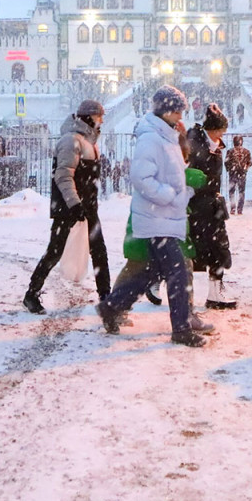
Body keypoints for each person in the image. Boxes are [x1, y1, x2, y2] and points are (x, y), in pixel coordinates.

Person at [96, 84, 206, 347]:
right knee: (177, 272)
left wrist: (181, 191)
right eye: (178, 111)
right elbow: (141, 178)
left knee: (150, 272)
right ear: (165, 111)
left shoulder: (165, 136)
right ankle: (180, 329)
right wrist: (171, 195)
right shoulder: (152, 138)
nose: (181, 116)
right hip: (158, 218)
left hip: (165, 217)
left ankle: (112, 306)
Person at [23, 99, 111, 313]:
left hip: (88, 208)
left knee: (99, 252)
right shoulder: (71, 141)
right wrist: (74, 204)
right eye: (98, 116)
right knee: (55, 251)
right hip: (68, 208)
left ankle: (107, 298)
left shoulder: (88, 141)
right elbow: (63, 176)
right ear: (88, 117)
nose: (101, 121)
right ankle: (31, 294)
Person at [188, 104, 237, 310]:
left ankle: (215, 292)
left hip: (211, 205)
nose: (223, 135)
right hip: (197, 206)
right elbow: (193, 175)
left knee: (217, 247)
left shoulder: (213, 145)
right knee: (191, 250)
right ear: (213, 130)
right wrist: (207, 186)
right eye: (221, 131)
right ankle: (158, 283)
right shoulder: (196, 144)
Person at [225, 135, 252, 215]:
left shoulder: (230, 151)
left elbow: (226, 162)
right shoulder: (246, 152)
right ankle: (240, 209)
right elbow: (250, 162)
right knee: (241, 192)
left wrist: (230, 169)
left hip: (233, 174)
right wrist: (245, 168)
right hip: (242, 174)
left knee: (232, 192)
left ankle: (233, 209)